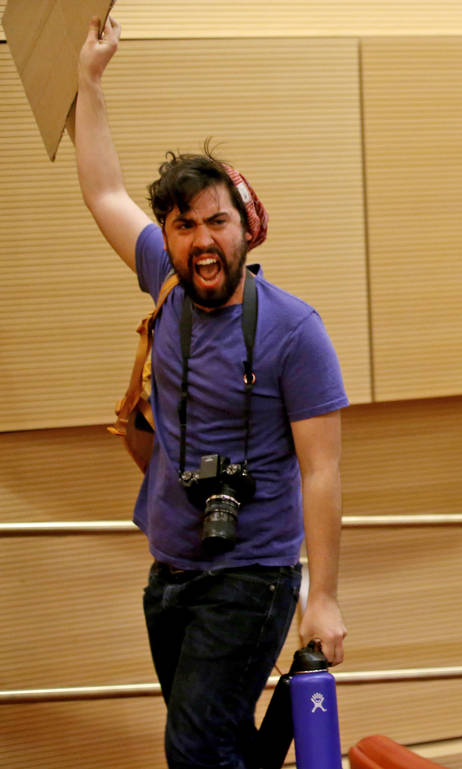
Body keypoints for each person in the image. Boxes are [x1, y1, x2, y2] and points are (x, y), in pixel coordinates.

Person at [77, 17, 349, 769]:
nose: (202, 239)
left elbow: (322, 470)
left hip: (251, 573)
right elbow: (102, 186)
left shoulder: (296, 332)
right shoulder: (160, 278)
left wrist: (320, 596)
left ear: (246, 230)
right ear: (166, 235)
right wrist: (89, 82)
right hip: (168, 568)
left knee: (193, 747)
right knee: (221, 744)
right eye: (185, 223)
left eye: (218, 221)